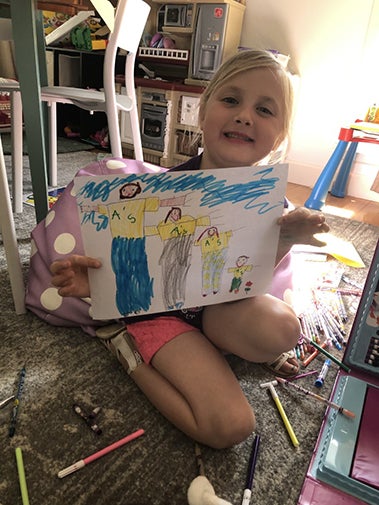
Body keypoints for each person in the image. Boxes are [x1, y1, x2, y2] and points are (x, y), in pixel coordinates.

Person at [26, 49, 329, 449]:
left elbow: (247, 281)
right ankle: (126, 349)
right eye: (231, 100)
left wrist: (283, 240)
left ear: (280, 135)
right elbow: (133, 265)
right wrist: (98, 284)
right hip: (161, 314)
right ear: (202, 113)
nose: (244, 116)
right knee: (230, 427)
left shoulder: (266, 200)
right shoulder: (159, 195)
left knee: (285, 328)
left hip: (221, 308)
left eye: (265, 109)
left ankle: (234, 346)